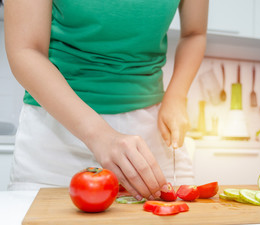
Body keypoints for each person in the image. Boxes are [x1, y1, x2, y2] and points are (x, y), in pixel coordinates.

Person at [3, 0, 208, 201]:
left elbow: (194, 34)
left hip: (152, 134)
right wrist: (99, 135)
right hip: (56, 131)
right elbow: (25, 50)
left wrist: (177, 96)